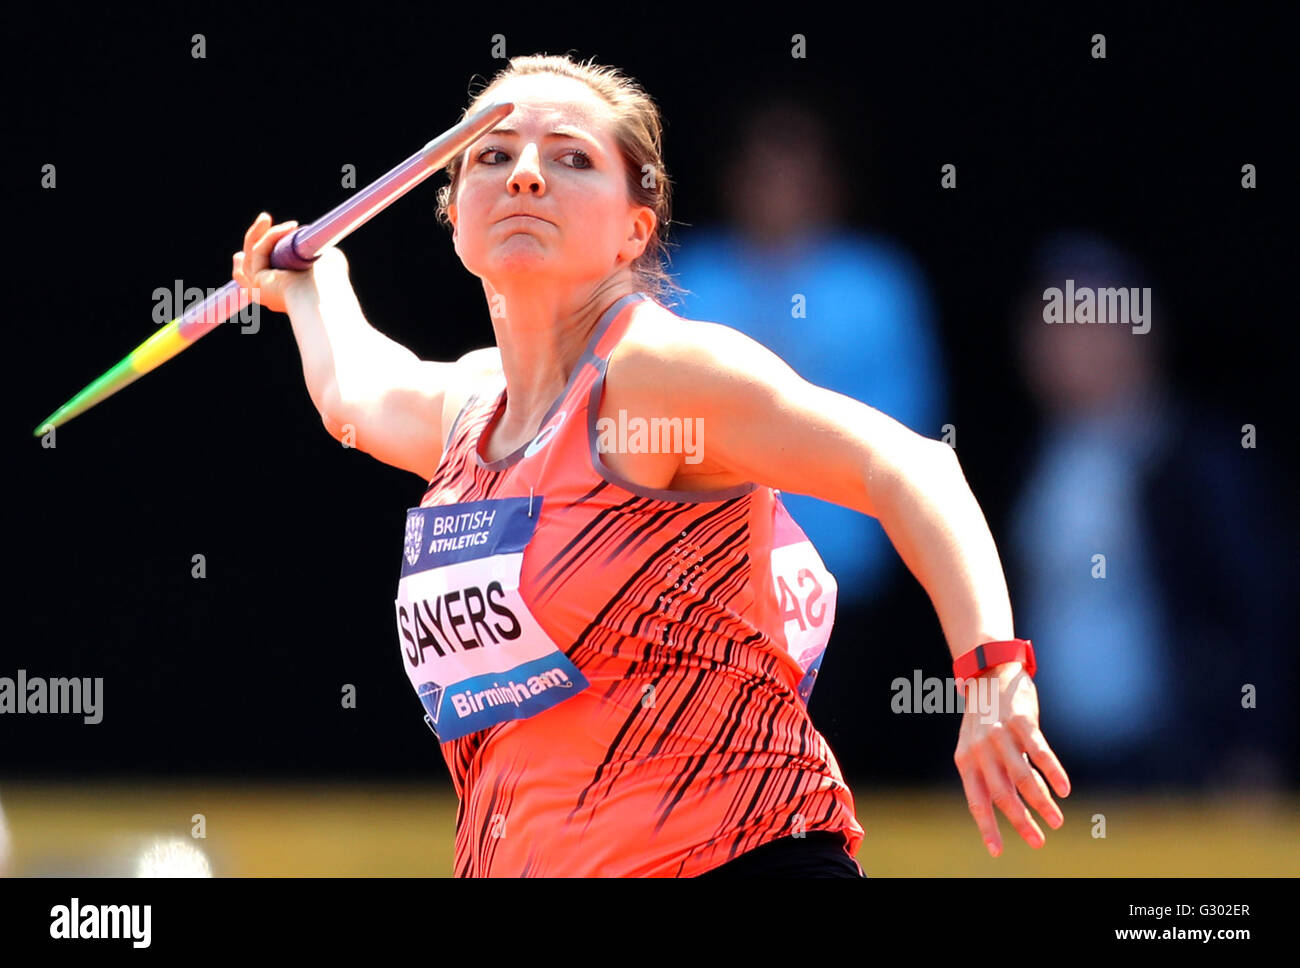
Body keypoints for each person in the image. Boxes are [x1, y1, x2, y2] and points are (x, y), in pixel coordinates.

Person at [231, 53, 1069, 877]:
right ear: (453, 215)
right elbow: (356, 394)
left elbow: (911, 467)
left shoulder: (654, 378)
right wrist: (311, 282)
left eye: (571, 157)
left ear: (636, 227)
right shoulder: (470, 411)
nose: (525, 174)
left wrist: (992, 672)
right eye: (493, 154)